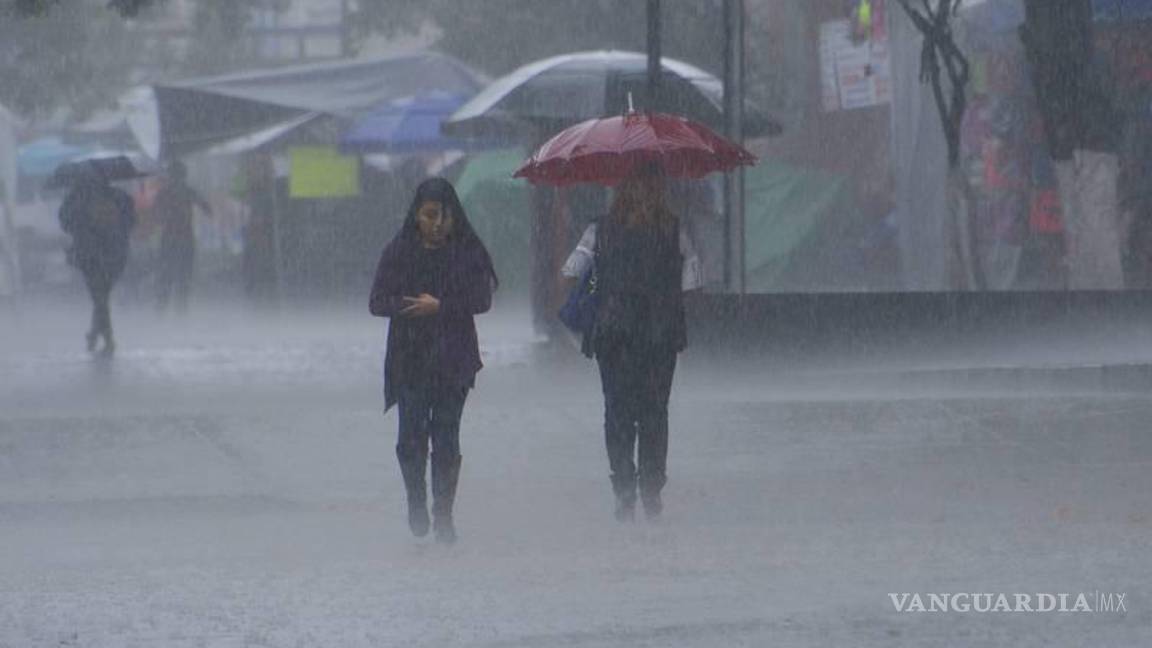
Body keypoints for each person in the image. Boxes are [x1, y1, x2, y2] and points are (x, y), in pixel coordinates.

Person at [561, 163, 701, 522]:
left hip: (614, 333)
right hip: (659, 334)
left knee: (619, 413)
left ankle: (624, 491)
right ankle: (651, 491)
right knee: (654, 413)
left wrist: (602, 279)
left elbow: (571, 271)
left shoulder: (600, 230)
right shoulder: (675, 231)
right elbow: (691, 283)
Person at [369, 177, 497, 544]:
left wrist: (442, 306)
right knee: (411, 438)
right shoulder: (399, 252)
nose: (437, 224)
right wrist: (410, 307)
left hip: (453, 359)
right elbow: (377, 302)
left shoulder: (466, 252)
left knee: (446, 438)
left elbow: (482, 299)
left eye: (444, 216)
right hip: (409, 359)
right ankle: (416, 500)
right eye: (429, 215)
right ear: (417, 215)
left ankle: (443, 513)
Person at [58, 164, 137, 356]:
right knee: (101, 296)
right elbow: (132, 222)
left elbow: (65, 223)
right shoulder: (120, 197)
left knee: (99, 297)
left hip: (91, 255)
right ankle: (96, 334)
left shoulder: (76, 198)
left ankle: (106, 338)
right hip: (114, 254)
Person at [154, 160, 212, 312]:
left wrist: (165, 216)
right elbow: (206, 208)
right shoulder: (187, 191)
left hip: (171, 239)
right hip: (184, 239)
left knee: (168, 277)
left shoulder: (165, 193)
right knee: (182, 277)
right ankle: (179, 310)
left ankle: (163, 309)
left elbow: (156, 215)